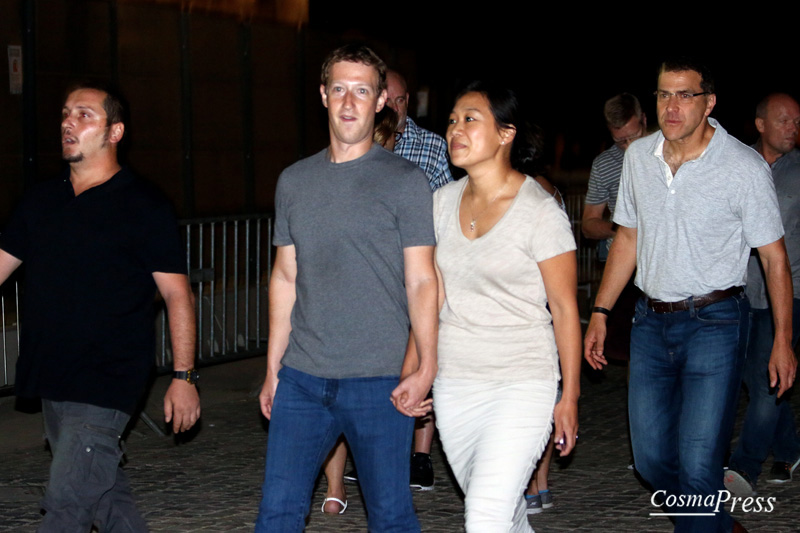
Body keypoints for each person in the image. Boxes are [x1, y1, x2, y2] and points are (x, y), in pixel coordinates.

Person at [584, 58, 794, 533]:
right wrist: (599, 311)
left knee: (699, 468)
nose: (672, 106)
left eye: (685, 95)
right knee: (652, 461)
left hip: (715, 322)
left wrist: (782, 340)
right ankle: (717, 524)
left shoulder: (742, 167)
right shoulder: (638, 158)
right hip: (649, 322)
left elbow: (774, 258)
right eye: (663, 95)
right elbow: (628, 238)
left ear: (709, 102)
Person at [0, 82, 201, 531]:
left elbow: (176, 294)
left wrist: (184, 376)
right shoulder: (41, 200)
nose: (69, 123)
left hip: (108, 376)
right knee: (105, 496)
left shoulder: (144, 205)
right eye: (66, 114)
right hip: (51, 371)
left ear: (115, 132)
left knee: (66, 503)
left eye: (85, 115)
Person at [255, 44, 438, 532]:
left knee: (391, 516)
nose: (350, 102)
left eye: (362, 91)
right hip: (303, 378)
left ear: (380, 101)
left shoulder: (405, 181)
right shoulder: (293, 182)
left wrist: (426, 366)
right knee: (276, 515)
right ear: (323, 95)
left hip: (380, 381)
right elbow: (285, 277)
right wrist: (273, 369)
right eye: (340, 89)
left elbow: (423, 279)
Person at [430, 81, 581, 531]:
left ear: (505, 133)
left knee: (484, 517)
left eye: (470, 119)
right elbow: (433, 299)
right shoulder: (439, 203)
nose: (456, 129)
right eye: (452, 120)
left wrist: (569, 396)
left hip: (522, 382)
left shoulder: (539, 211)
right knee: (505, 513)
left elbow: (565, 309)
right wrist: (417, 369)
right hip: (455, 385)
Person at [726, 93, 800, 496]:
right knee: (752, 377)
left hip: (791, 292)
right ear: (760, 125)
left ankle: (744, 467)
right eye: (784, 121)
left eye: (796, 122)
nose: (792, 128)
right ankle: (789, 448)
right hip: (741, 291)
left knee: (767, 375)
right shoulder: (738, 165)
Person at [386, 69, 453, 192]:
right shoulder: (363, 141)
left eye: (399, 100)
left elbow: (448, 202)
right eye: (387, 101)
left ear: (407, 100)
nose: (394, 108)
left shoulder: (433, 144)